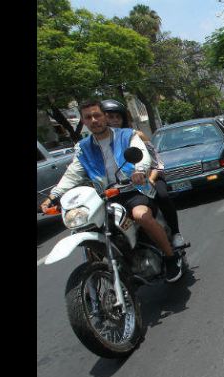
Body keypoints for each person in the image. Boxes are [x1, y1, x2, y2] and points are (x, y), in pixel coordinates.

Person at [40, 99, 182, 282]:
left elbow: (142, 155)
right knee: (87, 225)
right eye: (88, 117)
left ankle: (171, 257)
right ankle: (96, 278)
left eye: (97, 115)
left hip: (133, 189)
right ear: (83, 122)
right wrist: (53, 196)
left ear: (105, 117)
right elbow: (72, 175)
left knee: (141, 215)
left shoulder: (127, 135)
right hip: (104, 196)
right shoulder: (83, 148)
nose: (94, 120)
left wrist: (139, 171)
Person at [100, 99, 185, 249]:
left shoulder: (134, 135)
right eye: (109, 117)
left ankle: (176, 234)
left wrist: (150, 178)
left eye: (117, 117)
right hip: (116, 188)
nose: (113, 121)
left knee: (162, 195)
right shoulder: (96, 142)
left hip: (149, 176)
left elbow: (155, 161)